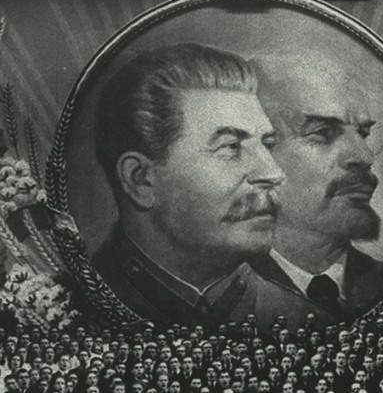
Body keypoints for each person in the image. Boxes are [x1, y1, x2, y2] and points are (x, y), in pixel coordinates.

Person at [94, 43, 298, 329]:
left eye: (268, 145)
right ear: (140, 179)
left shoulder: (309, 321)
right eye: (231, 146)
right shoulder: (54, 313)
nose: (273, 173)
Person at [250, 52, 383, 327]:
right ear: (259, 154)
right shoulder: (217, 297)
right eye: (323, 132)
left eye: (363, 134)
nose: (365, 156)